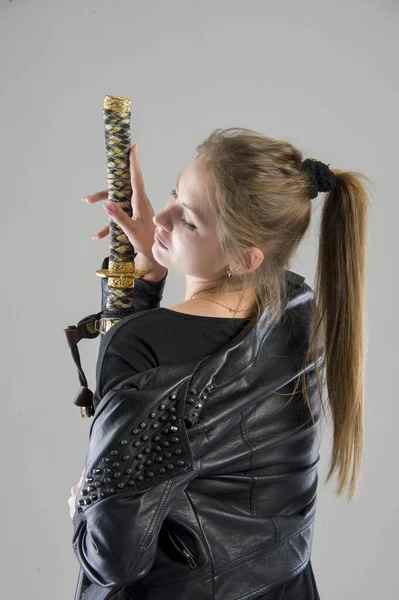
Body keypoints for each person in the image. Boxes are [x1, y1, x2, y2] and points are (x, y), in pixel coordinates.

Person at [69, 128, 372, 599]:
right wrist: (147, 275)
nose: (161, 218)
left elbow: (115, 556)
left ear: (245, 257)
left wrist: (83, 511)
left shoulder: (144, 342)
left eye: (187, 220)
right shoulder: (299, 310)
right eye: (174, 193)